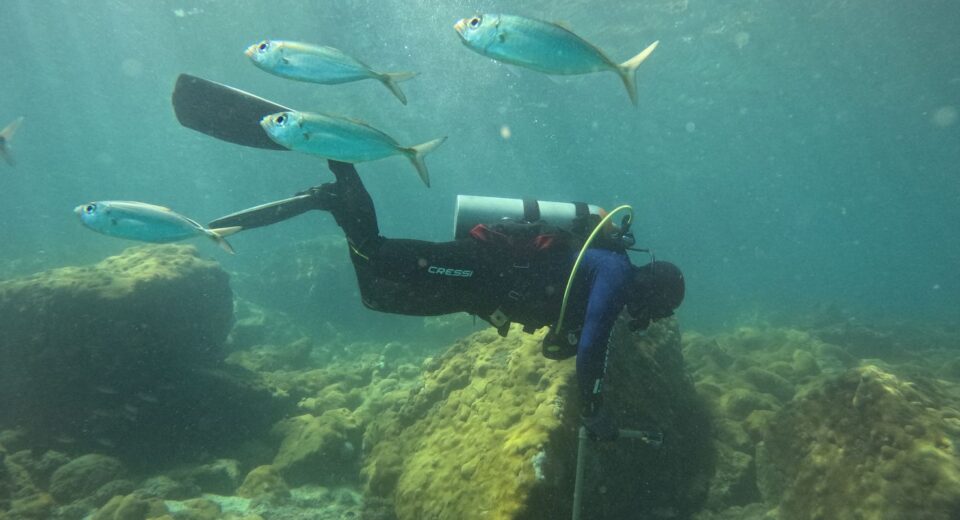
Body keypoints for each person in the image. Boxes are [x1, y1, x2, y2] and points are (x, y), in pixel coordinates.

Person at [210, 160, 685, 441]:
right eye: (659, 309)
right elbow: (593, 343)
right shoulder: (616, 271)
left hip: (478, 293)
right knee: (379, 258)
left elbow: (571, 335)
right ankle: (343, 177)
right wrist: (595, 412)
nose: (649, 318)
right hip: (481, 267)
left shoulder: (613, 271)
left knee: (378, 296)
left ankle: (338, 202)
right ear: (653, 289)